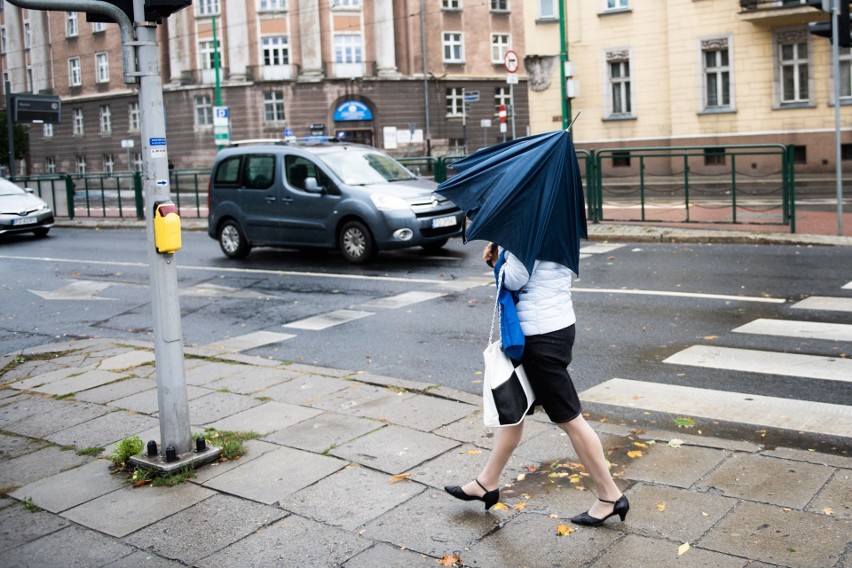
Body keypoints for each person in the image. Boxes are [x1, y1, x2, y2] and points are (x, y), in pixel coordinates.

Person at [444, 242, 628, 526]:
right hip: (557, 325)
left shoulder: (528, 226)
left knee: (569, 418)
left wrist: (497, 261)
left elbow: (517, 277)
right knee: (513, 409)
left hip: (539, 336)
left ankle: (610, 495)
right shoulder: (556, 223)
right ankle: (486, 483)